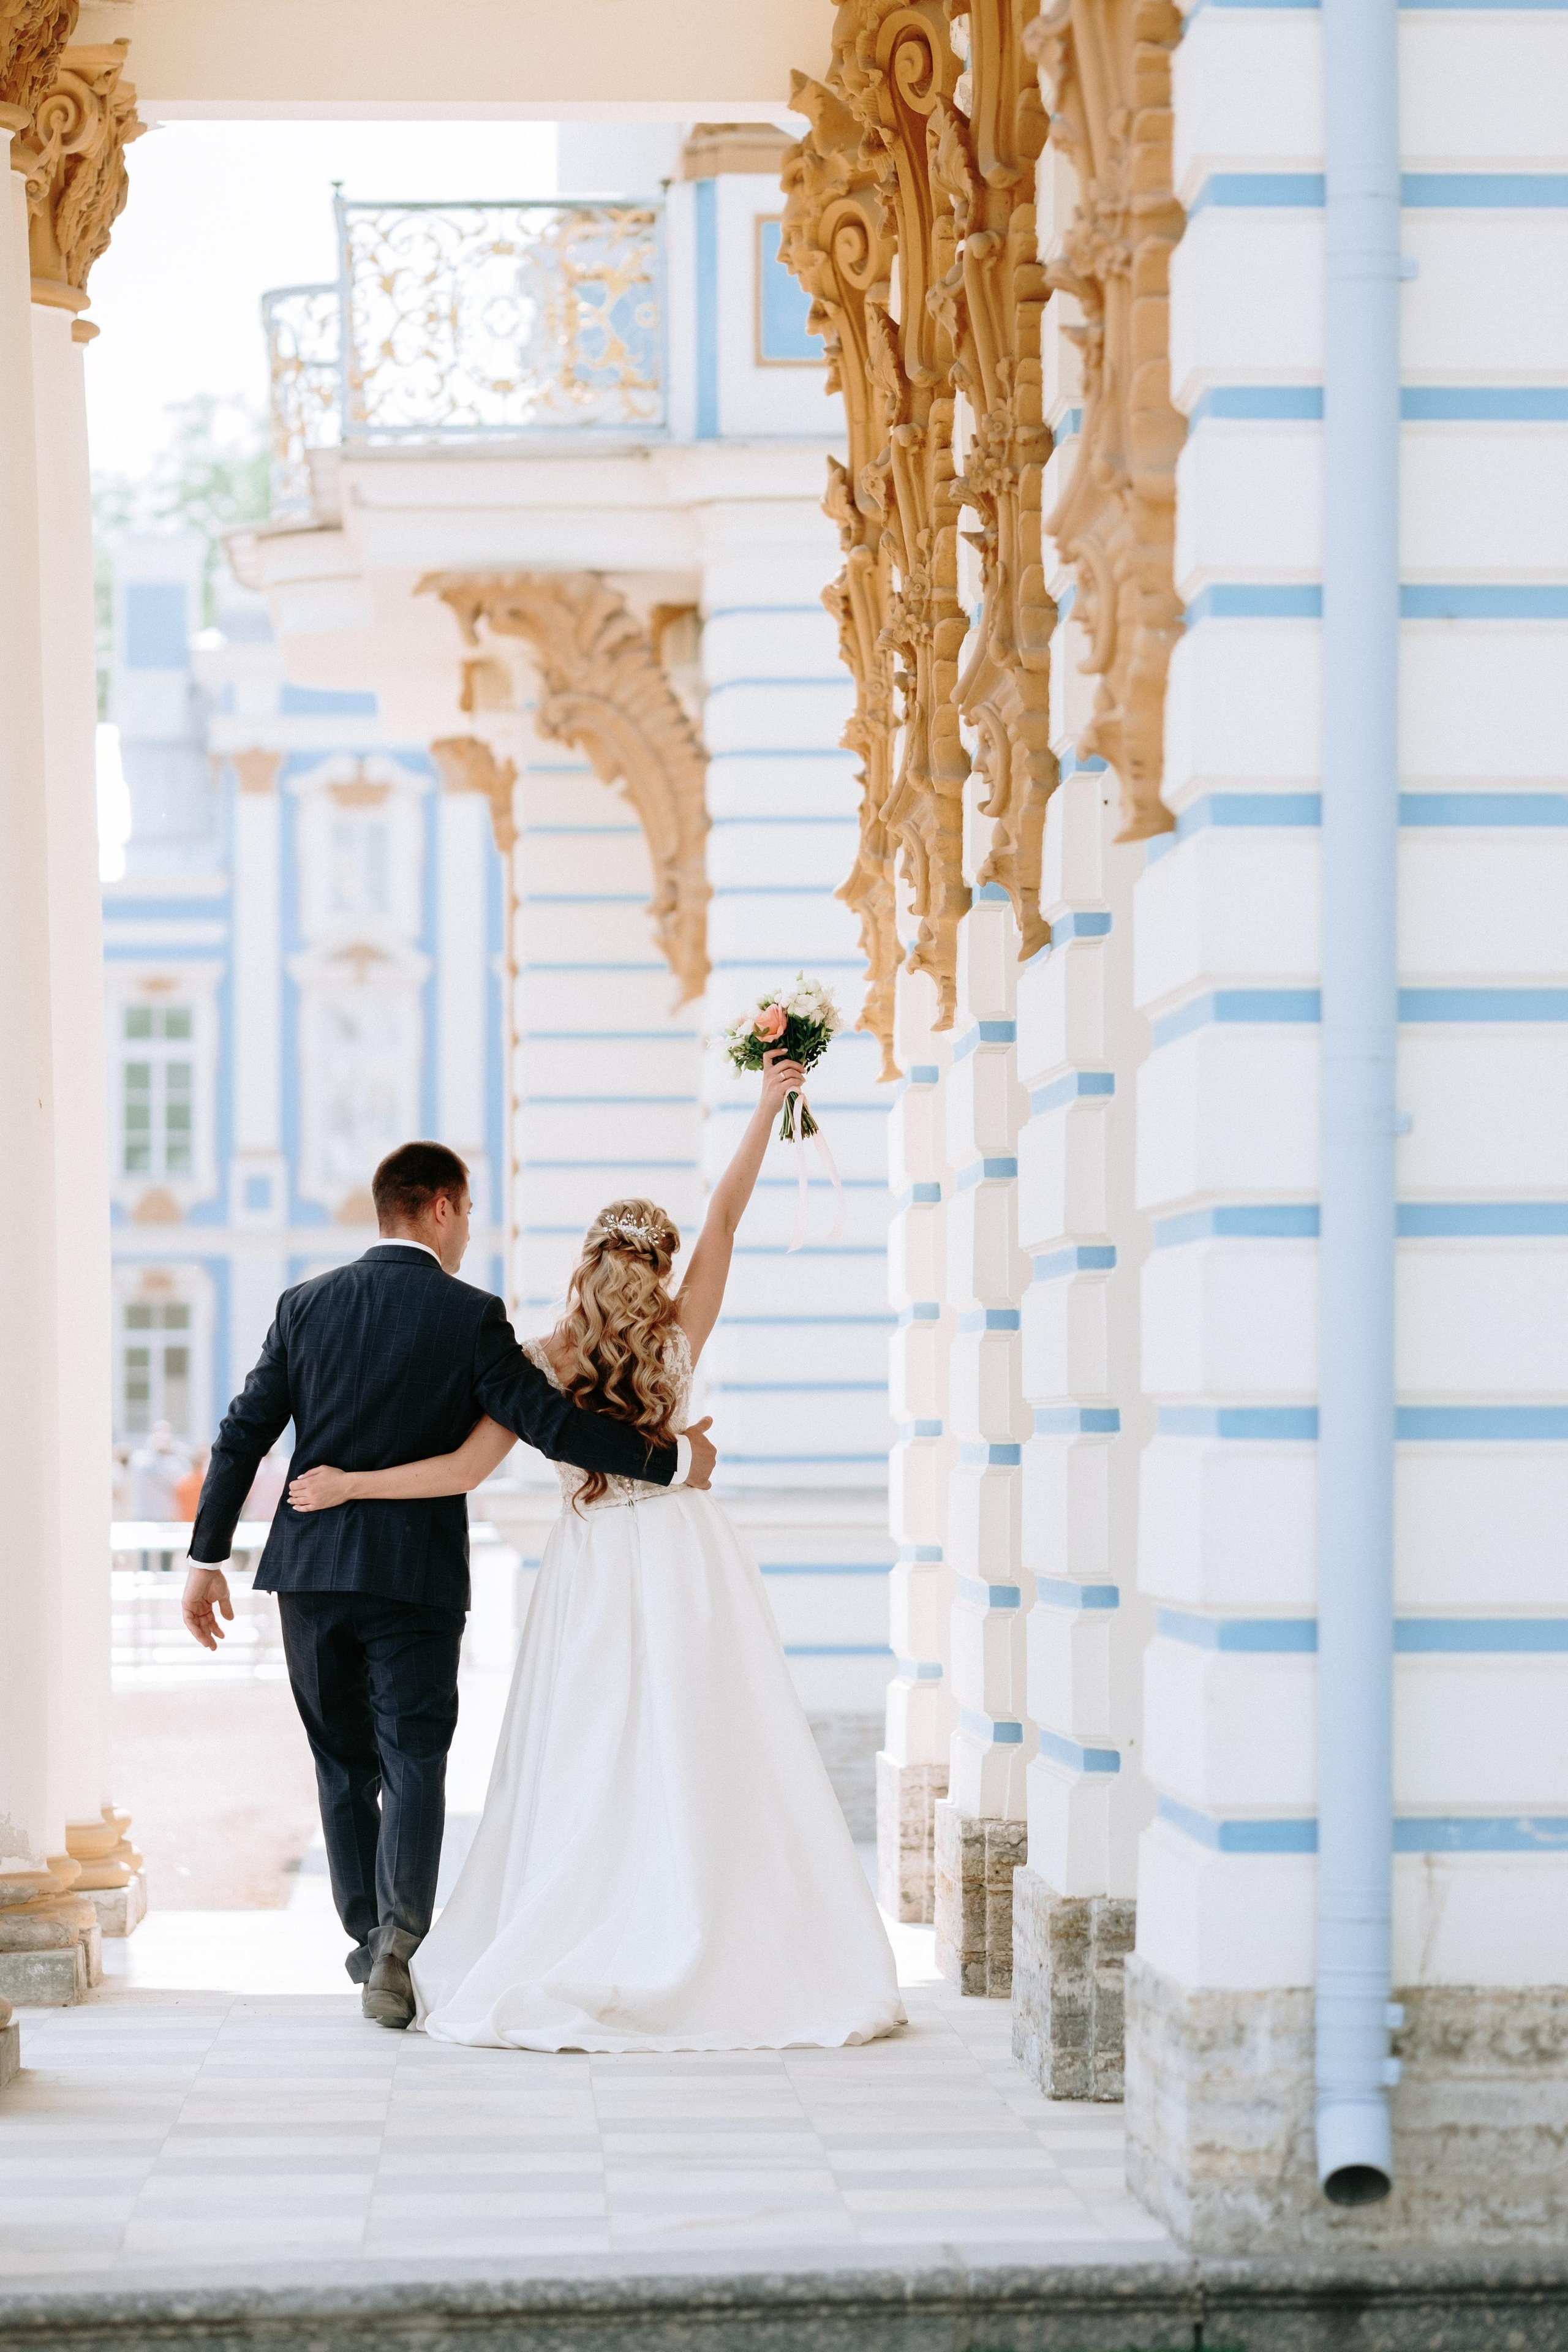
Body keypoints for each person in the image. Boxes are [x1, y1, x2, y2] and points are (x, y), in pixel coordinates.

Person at [288, 1052, 904, 2052]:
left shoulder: (543, 1357)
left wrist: (350, 1484)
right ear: (657, 1268)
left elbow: (458, 1472)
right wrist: (764, 1106)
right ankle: (693, 1916)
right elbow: (727, 1218)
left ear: (588, 1262)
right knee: (695, 1742)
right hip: (680, 1557)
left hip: (591, 1568)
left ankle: (585, 1917)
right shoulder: (680, 1330)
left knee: (586, 1753)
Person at [181, 1139, 717, 2028]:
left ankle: (367, 1944)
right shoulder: (471, 1316)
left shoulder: (303, 1305)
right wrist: (673, 1461)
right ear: (439, 1206)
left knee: (342, 1762)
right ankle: (400, 1938)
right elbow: (548, 1424)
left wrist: (207, 1560)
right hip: (416, 1577)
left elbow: (243, 1434)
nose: (468, 1230)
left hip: (311, 1572)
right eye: (466, 1212)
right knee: (415, 1755)